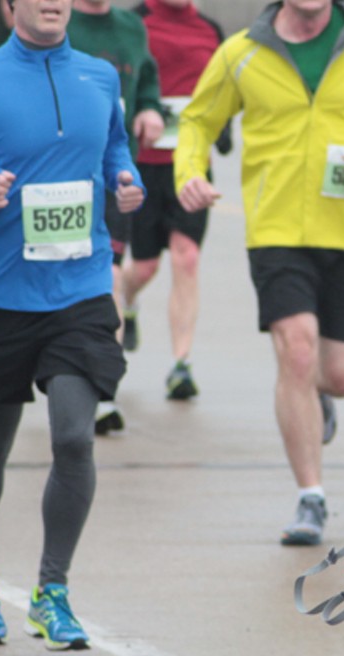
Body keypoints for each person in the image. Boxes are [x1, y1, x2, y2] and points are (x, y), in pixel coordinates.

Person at [175, 0, 344, 546]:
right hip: (277, 230)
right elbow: (196, 120)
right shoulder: (242, 52)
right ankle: (312, 496)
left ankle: (318, 398)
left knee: (342, 375)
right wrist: (189, 171)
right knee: (298, 349)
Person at [0, 0, 146, 649]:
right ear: (9, 8)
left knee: (74, 438)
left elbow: (115, 145)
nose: (55, 1)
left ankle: (52, 590)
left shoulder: (99, 75)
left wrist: (125, 178)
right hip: (0, 291)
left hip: (79, 288)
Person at [118, 0, 230, 401]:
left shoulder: (210, 30)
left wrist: (223, 132)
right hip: (142, 164)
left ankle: (181, 364)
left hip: (191, 166)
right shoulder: (133, 23)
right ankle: (128, 302)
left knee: (187, 256)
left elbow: (223, 88)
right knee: (144, 267)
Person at [66, 0, 163, 434]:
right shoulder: (54, 18)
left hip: (113, 176)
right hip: (60, 174)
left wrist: (149, 109)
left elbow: (146, 81)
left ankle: (103, 389)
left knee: (109, 279)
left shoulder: (131, 27)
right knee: (64, 280)